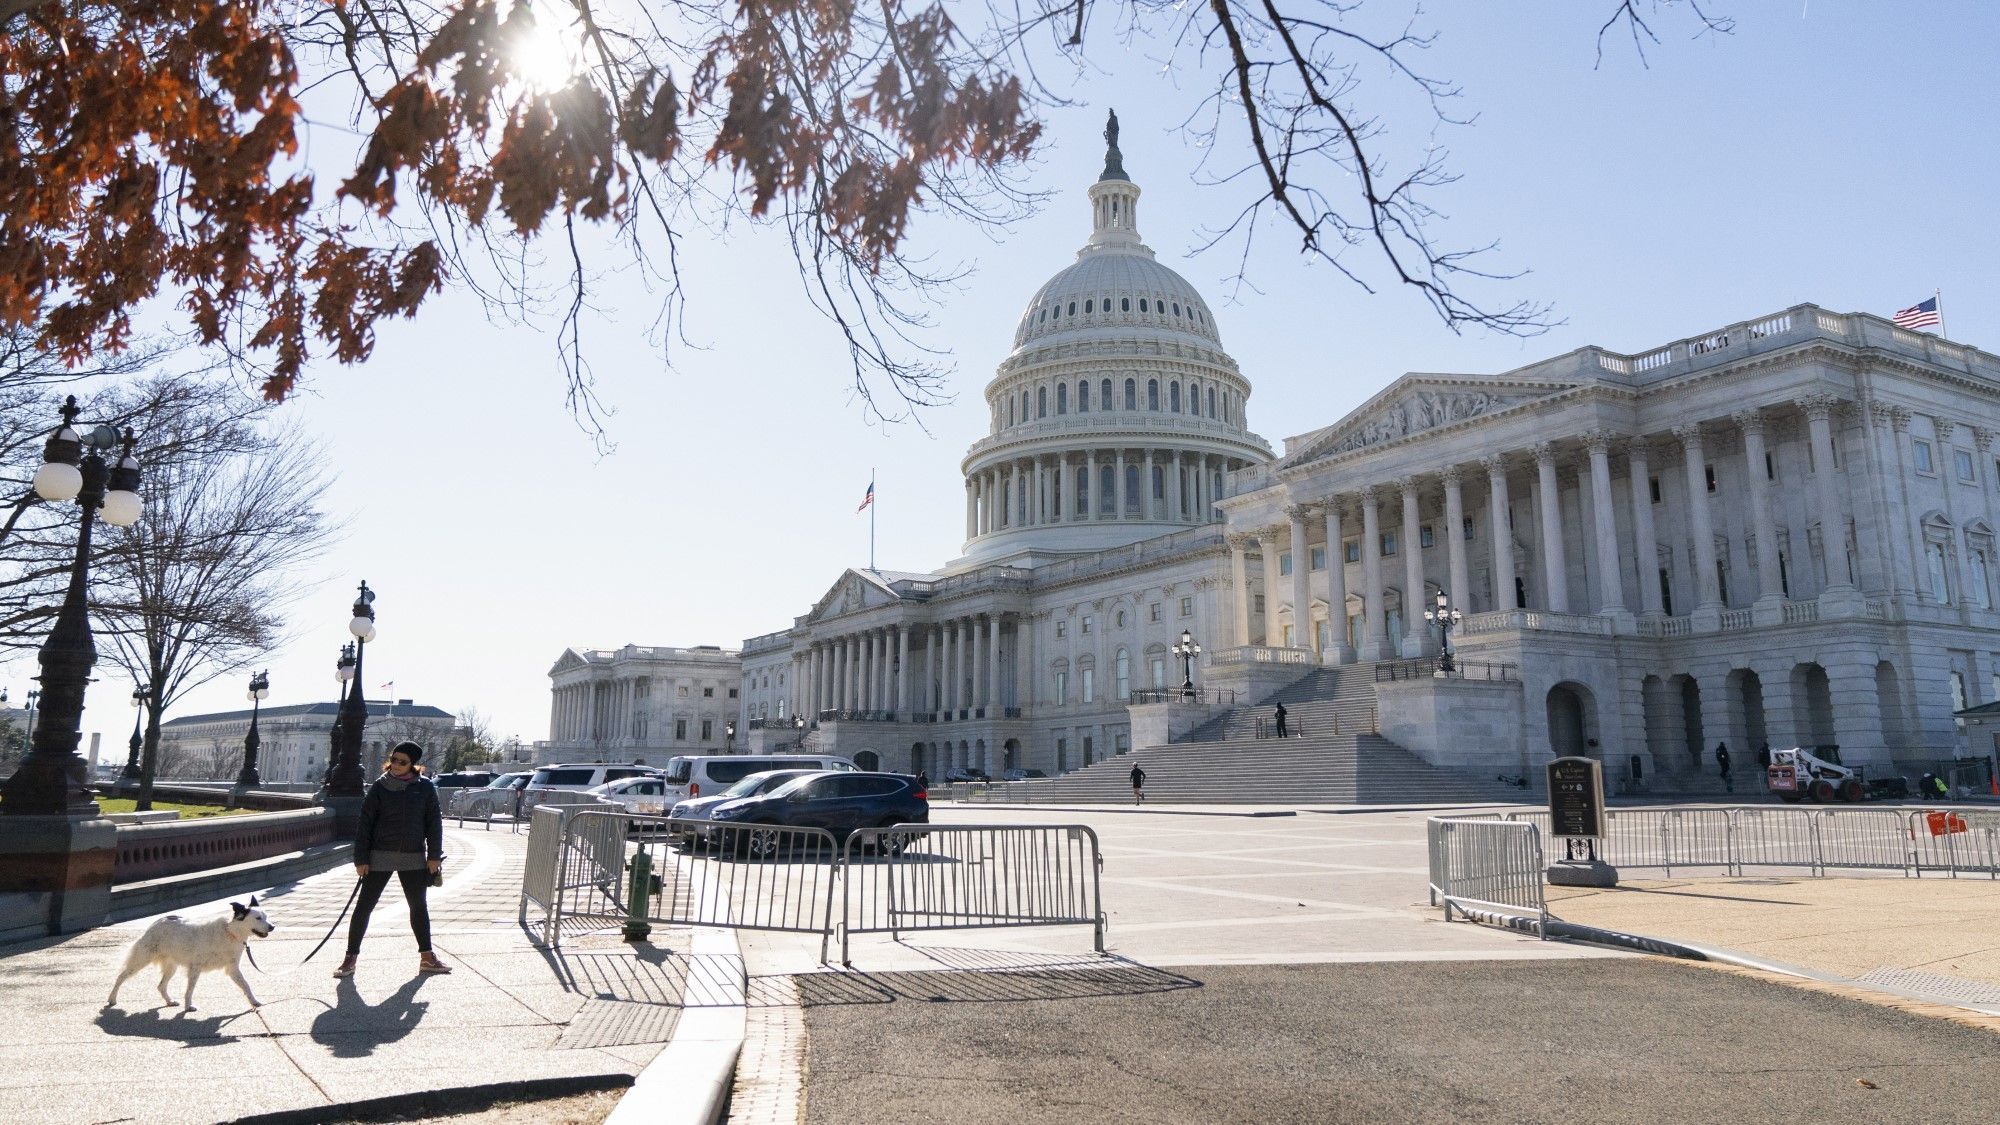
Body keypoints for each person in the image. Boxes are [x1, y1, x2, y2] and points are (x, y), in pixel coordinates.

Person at [335, 741, 450, 978]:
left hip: (413, 857)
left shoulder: (425, 788)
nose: (396, 765)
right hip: (379, 856)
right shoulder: (379, 787)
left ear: (413, 765)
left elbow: (433, 824)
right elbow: (365, 824)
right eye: (394, 759)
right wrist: (361, 858)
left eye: (402, 762)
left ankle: (427, 958)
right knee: (364, 907)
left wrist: (434, 856)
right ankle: (350, 958)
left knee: (418, 907)